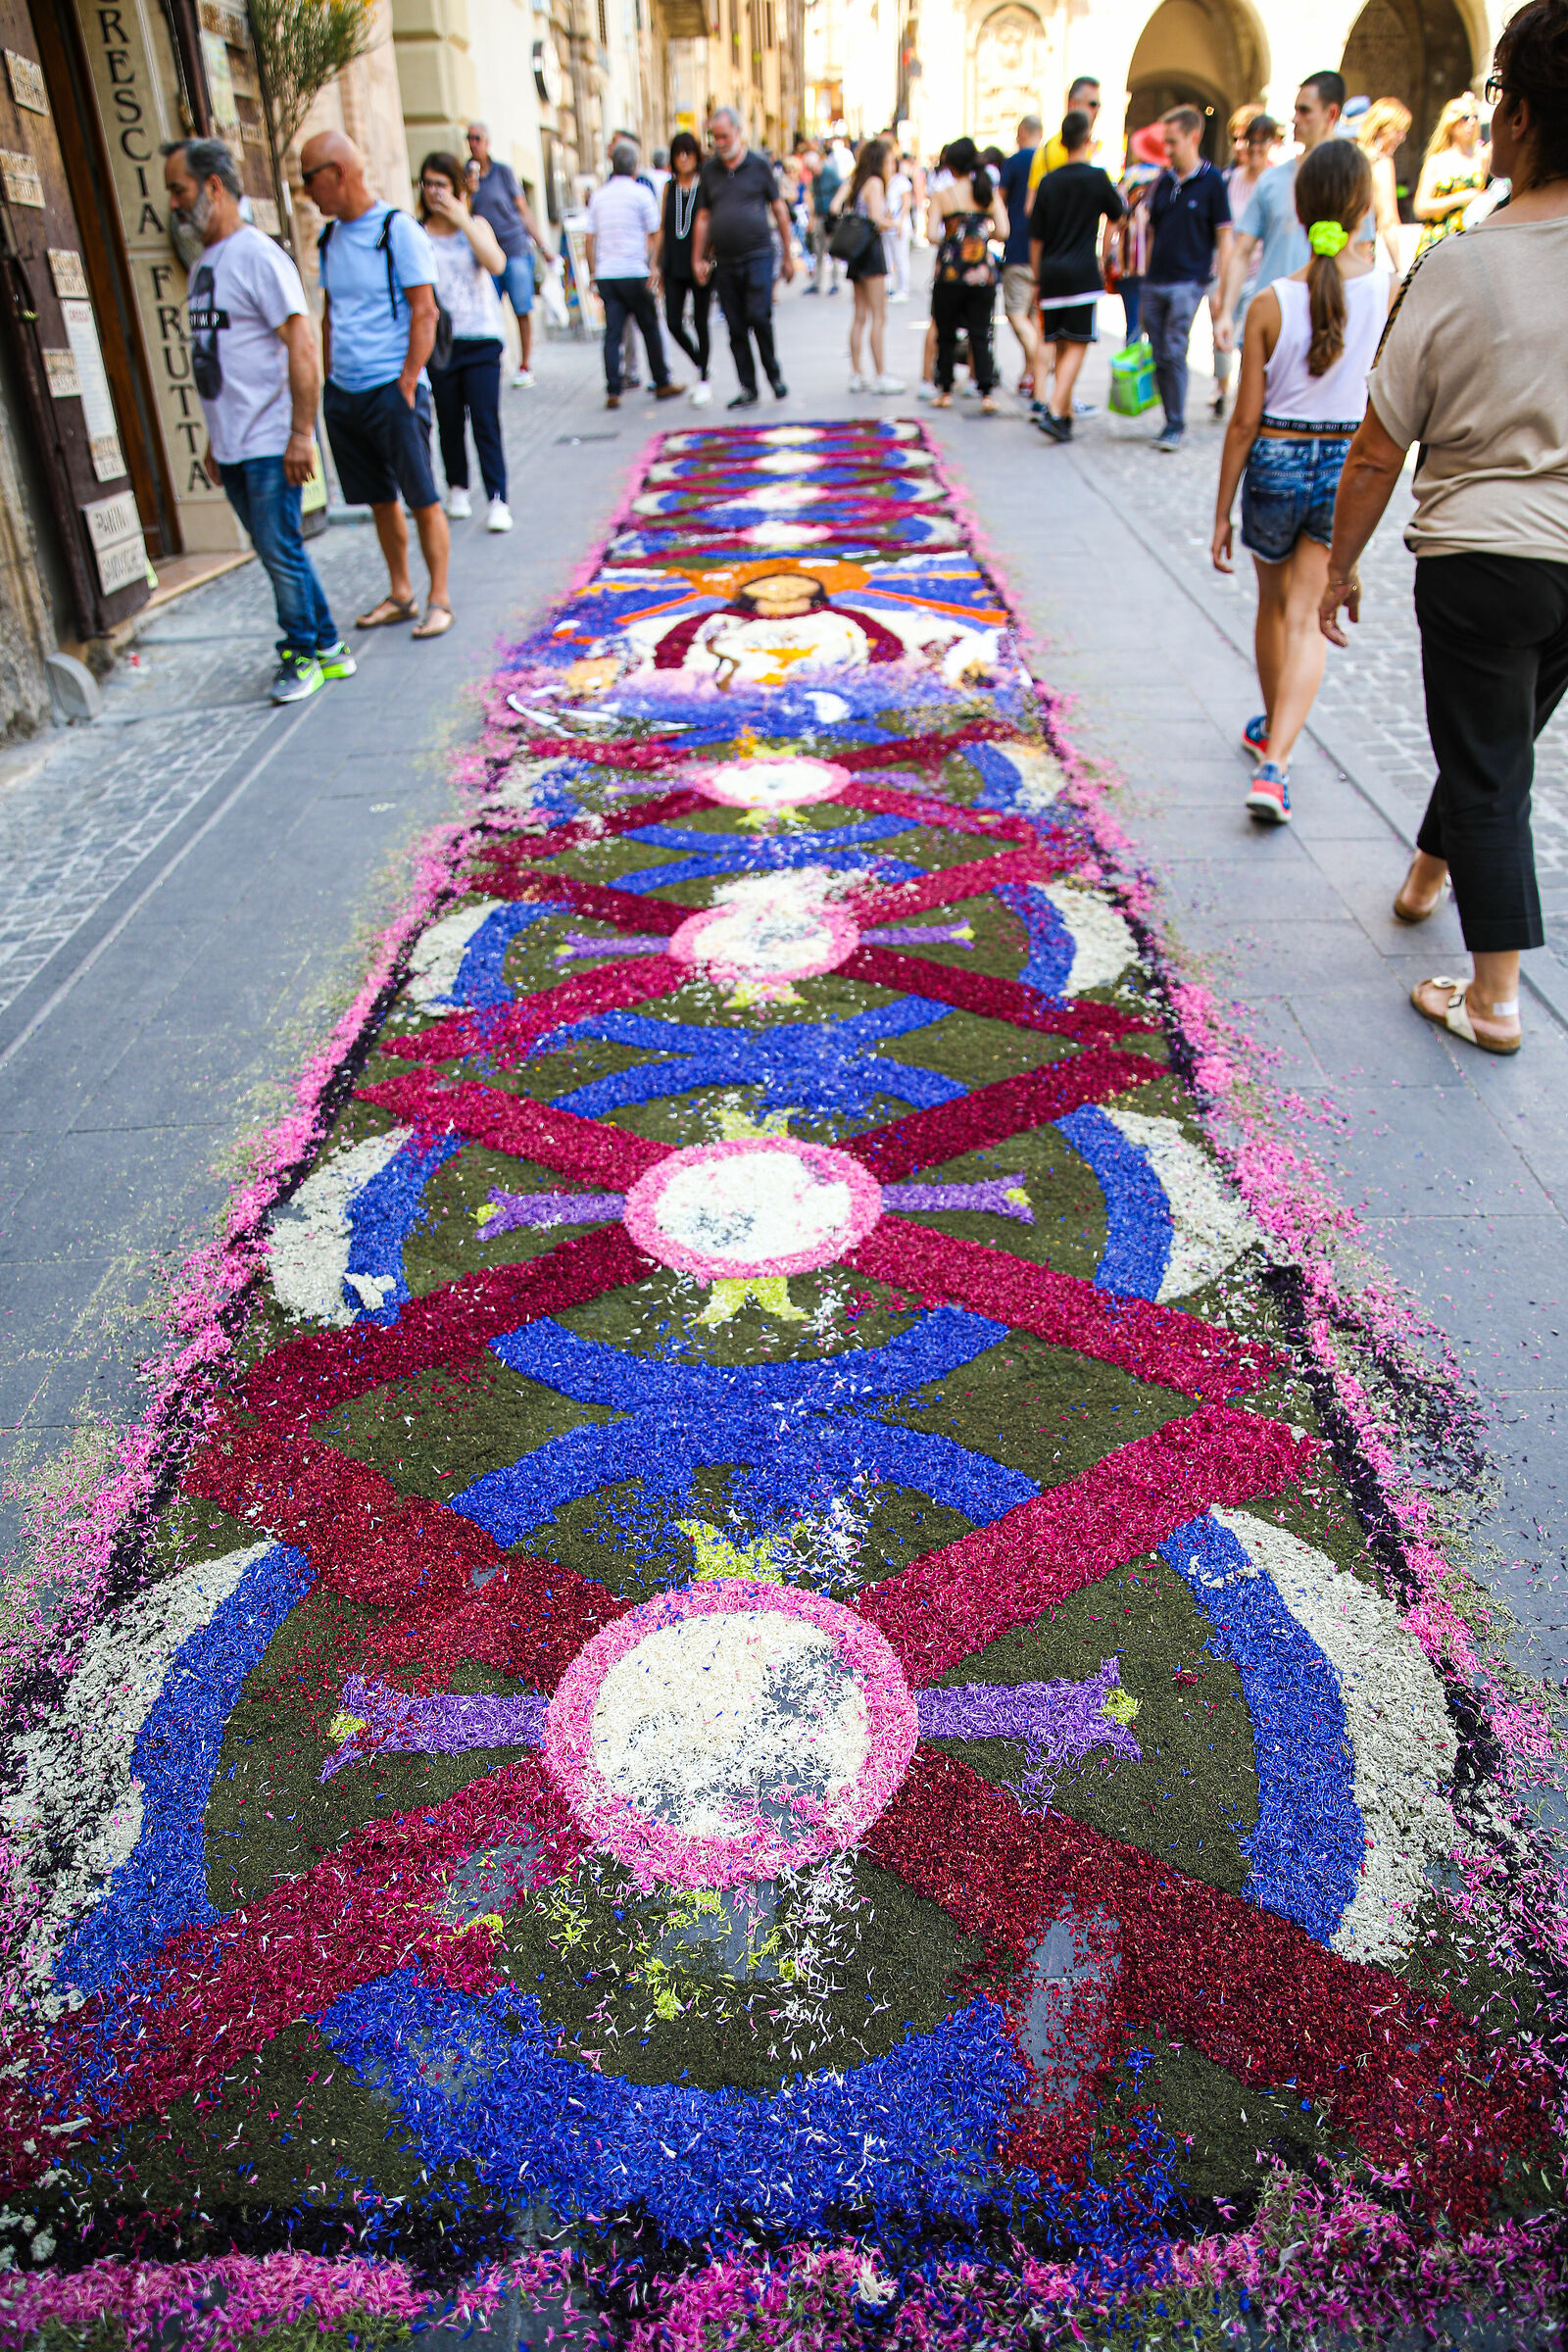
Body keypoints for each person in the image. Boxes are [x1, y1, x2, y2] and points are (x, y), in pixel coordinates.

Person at [1319, 0, 1568, 1057]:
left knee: (1490, 764)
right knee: (1494, 738)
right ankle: (1425, 877)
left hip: (1483, 551)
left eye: (1497, 92)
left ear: (1520, 116)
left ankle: (1495, 998)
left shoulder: (1460, 262)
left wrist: (1339, 566)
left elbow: (1378, 448)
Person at [1211, 139, 1393, 822]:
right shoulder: (1387, 292)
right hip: (1344, 463)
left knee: (1272, 606)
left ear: (1299, 204)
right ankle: (1276, 762)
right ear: (1363, 205)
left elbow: (1243, 422)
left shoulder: (1269, 302)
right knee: (1309, 618)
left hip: (1276, 459)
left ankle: (1273, 734)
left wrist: (1221, 512)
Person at [162, 138, 349, 705]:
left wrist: (300, 435)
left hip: (271, 438)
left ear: (213, 187)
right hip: (234, 441)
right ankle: (329, 646)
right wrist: (214, 437)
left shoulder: (258, 256)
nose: (173, 202)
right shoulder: (204, 263)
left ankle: (300, 653)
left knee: (279, 549)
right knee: (278, 548)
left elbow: (304, 347)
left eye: (179, 189)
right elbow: (217, 357)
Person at [302, 127, 452, 639]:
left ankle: (439, 598)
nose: (306, 191)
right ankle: (401, 592)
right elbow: (330, 315)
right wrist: (330, 381)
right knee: (379, 499)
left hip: (393, 386)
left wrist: (407, 381)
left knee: (421, 496)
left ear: (338, 173)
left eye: (310, 179)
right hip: (346, 392)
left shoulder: (396, 230)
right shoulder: (329, 238)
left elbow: (425, 311)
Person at [1213, 73, 1367, 362]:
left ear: (1331, 114)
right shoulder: (1272, 180)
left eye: (1305, 110)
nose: (1296, 119)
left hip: (1324, 330)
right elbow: (1241, 251)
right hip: (1270, 324)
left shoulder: (1352, 181)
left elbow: (1362, 252)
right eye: (1295, 110)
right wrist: (1226, 313)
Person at [417, 152, 511, 532]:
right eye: (427, 183)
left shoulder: (476, 225)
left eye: (441, 184)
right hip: (442, 342)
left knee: (485, 420)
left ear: (457, 188)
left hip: (482, 337)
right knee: (449, 419)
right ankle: (457, 487)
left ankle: (498, 498)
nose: (433, 192)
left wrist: (463, 221)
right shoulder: (417, 234)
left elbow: (497, 264)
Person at [1028, 110, 1123, 440]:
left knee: (1060, 343)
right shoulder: (1097, 178)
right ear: (1088, 138)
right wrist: (1104, 253)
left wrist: (1037, 278)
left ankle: (1065, 413)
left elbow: (1036, 238)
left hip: (1051, 273)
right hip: (1082, 272)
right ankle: (1056, 409)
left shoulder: (1048, 182)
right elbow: (1117, 215)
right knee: (1079, 342)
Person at [692, 109, 796, 409]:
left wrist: (788, 256)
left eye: (724, 136)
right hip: (725, 260)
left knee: (759, 316)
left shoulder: (759, 165)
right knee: (735, 325)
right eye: (715, 137)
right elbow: (703, 217)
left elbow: (779, 209)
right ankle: (747, 386)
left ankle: (773, 375)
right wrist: (698, 257)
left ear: (738, 132)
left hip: (758, 255)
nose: (720, 142)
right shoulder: (709, 171)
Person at [1142, 108, 1233, 451]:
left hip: (1189, 281)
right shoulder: (1164, 182)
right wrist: (1146, 274)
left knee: (1174, 349)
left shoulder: (1212, 182)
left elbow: (1224, 235)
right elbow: (1153, 231)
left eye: (1173, 142)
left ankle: (1175, 423)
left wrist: (1222, 284)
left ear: (1193, 137)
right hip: (1156, 280)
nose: (1167, 149)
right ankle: (1169, 417)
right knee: (1159, 351)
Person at [587, 142, 683, 411]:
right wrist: (653, 264)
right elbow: (656, 232)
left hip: (608, 274)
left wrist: (594, 272)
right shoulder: (641, 194)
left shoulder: (599, 196)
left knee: (613, 333)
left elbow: (589, 239)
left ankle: (613, 388)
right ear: (635, 166)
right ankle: (661, 380)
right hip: (634, 271)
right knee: (649, 327)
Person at [928, 139, 1009, 410]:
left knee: (946, 333)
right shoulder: (987, 193)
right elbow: (1003, 231)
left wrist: (953, 239)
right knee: (980, 333)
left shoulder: (942, 195)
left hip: (950, 273)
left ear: (950, 165)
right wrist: (981, 236)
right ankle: (986, 392)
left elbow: (931, 235)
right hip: (982, 274)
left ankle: (945, 390)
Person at [465, 122, 545, 387]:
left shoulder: (503, 172)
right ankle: (497, 362)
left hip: (514, 248)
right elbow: (463, 215)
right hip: (486, 256)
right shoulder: (466, 176)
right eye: (469, 138)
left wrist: (542, 246)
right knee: (489, 311)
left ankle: (526, 364)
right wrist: (469, 191)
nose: (473, 143)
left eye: (477, 138)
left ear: (487, 142)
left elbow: (523, 210)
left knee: (521, 308)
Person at [1212, 108, 1273, 417]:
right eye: (1252, 141)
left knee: (1249, 341)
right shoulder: (1229, 180)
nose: (1256, 148)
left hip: (1261, 272)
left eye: (1263, 141)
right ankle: (1221, 388)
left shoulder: (1276, 181)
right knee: (1221, 331)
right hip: (1229, 268)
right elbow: (1225, 234)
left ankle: (1242, 396)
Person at [830, 139, 904, 393]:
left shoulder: (856, 181)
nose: (892, 166)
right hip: (871, 252)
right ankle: (881, 374)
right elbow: (876, 221)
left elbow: (834, 206)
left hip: (856, 252)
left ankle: (856, 373)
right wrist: (895, 223)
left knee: (860, 316)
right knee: (879, 316)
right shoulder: (875, 183)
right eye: (889, 161)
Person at [657, 131, 713, 406]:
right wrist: (655, 264)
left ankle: (703, 378)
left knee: (701, 321)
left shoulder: (705, 185)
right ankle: (701, 362)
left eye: (688, 152)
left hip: (700, 262)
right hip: (674, 263)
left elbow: (710, 221)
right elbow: (661, 228)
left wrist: (709, 257)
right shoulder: (669, 188)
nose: (683, 158)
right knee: (673, 322)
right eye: (678, 153)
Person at [1412, 93, 1490, 257]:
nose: (1471, 123)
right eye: (1465, 118)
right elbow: (1420, 207)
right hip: (1439, 240)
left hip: (1472, 239)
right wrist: (1460, 198)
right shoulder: (1437, 160)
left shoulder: (1482, 157)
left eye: (1474, 117)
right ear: (1451, 123)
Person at [999, 114, 1043, 392]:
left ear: (1023, 131)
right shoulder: (1049, 161)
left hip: (1019, 247)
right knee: (1033, 315)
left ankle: (1041, 363)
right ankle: (1031, 374)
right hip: (1046, 250)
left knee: (1016, 313)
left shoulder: (1015, 162)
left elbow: (999, 201)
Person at [1356, 98, 1412, 270]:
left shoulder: (1352, 154)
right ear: (1380, 128)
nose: (1402, 138)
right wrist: (1400, 268)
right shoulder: (1381, 162)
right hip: (1360, 255)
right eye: (1398, 131)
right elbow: (1388, 221)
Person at [1029, 76, 1102, 195]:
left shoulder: (1101, 148)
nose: (1097, 110)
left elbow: (1030, 203)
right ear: (1073, 104)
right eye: (1092, 104)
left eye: (1099, 105)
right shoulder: (1049, 151)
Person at [809, 139, 843, 292]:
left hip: (830, 217)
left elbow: (843, 187)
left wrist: (836, 203)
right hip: (819, 216)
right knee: (818, 250)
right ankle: (817, 282)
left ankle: (835, 282)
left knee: (833, 250)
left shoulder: (829, 173)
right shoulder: (814, 177)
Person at [884, 142, 913, 299]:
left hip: (899, 224)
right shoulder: (883, 181)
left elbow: (906, 203)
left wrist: (901, 223)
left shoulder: (901, 181)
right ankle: (888, 287)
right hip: (887, 225)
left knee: (901, 258)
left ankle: (903, 289)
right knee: (887, 257)